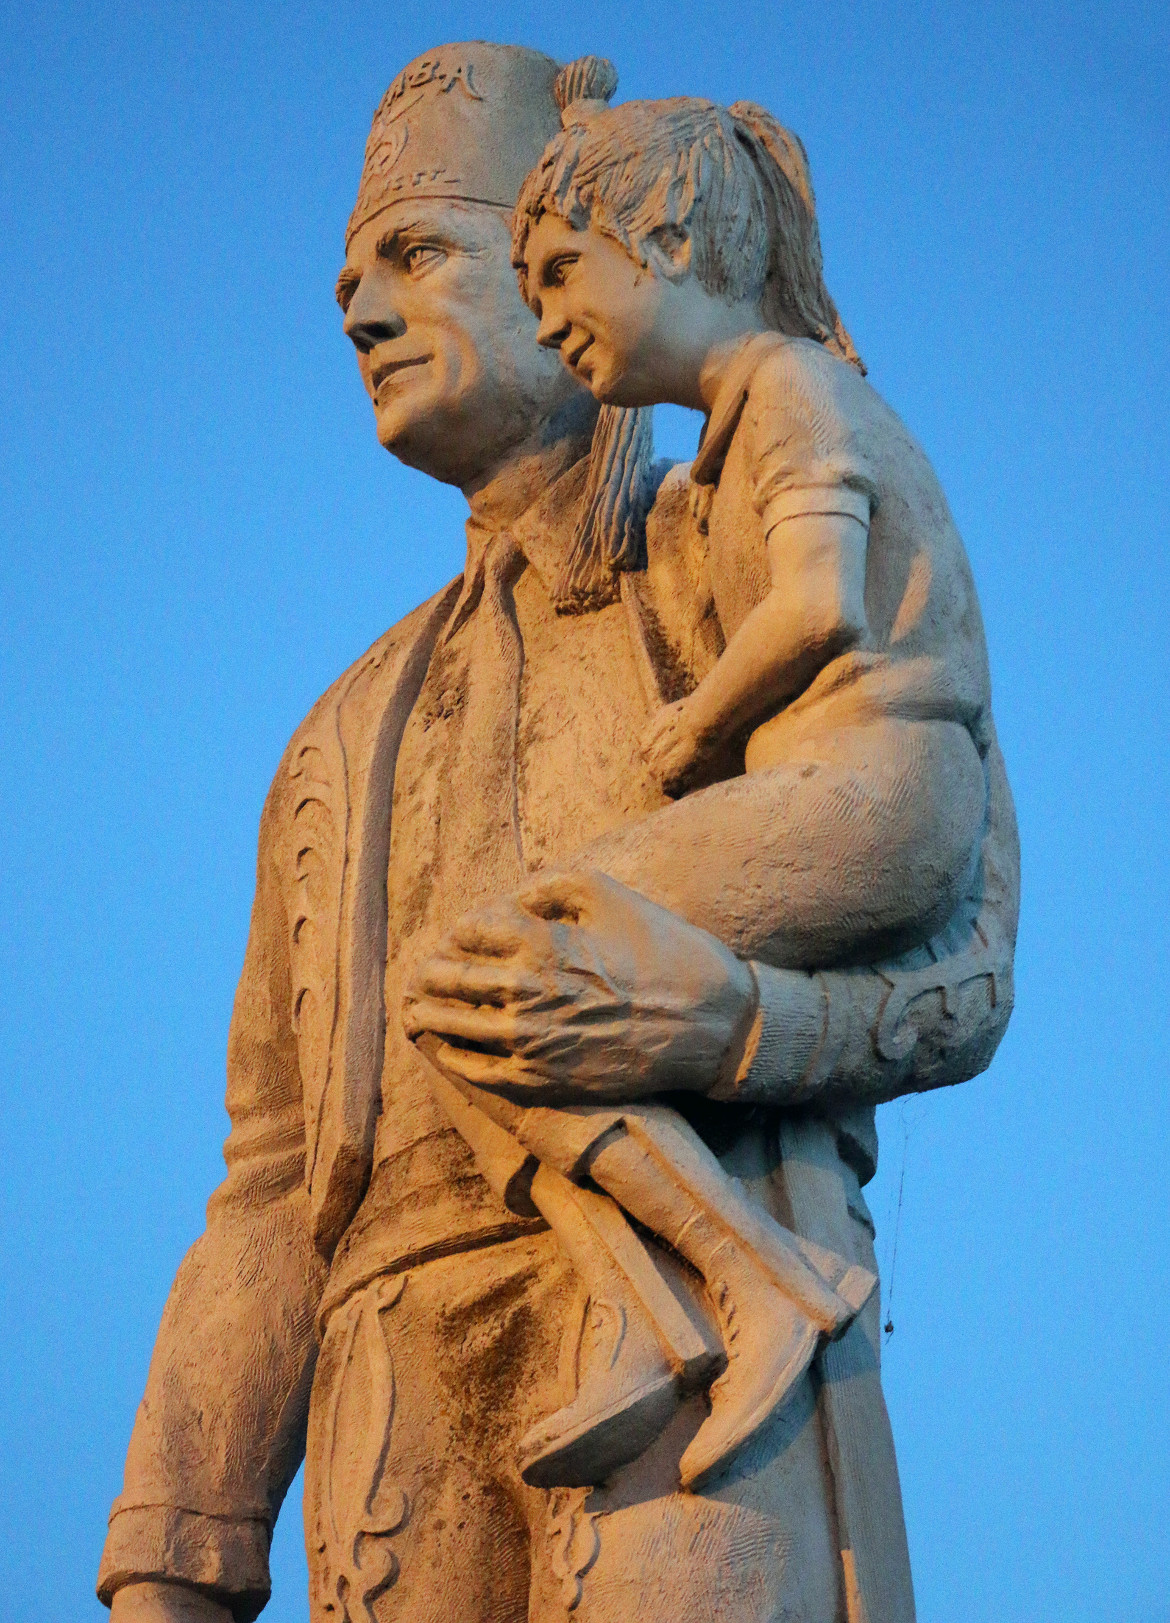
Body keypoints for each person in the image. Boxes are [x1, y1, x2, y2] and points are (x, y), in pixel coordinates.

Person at [98, 43, 1017, 1623]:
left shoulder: (740, 527)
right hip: (387, 1411)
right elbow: (266, 1184)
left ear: (573, 263)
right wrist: (176, 1555)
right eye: (347, 283)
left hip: (679, 1346)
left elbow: (963, 966)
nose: (362, 312)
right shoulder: (336, 735)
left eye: (418, 256)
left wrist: (727, 1024)